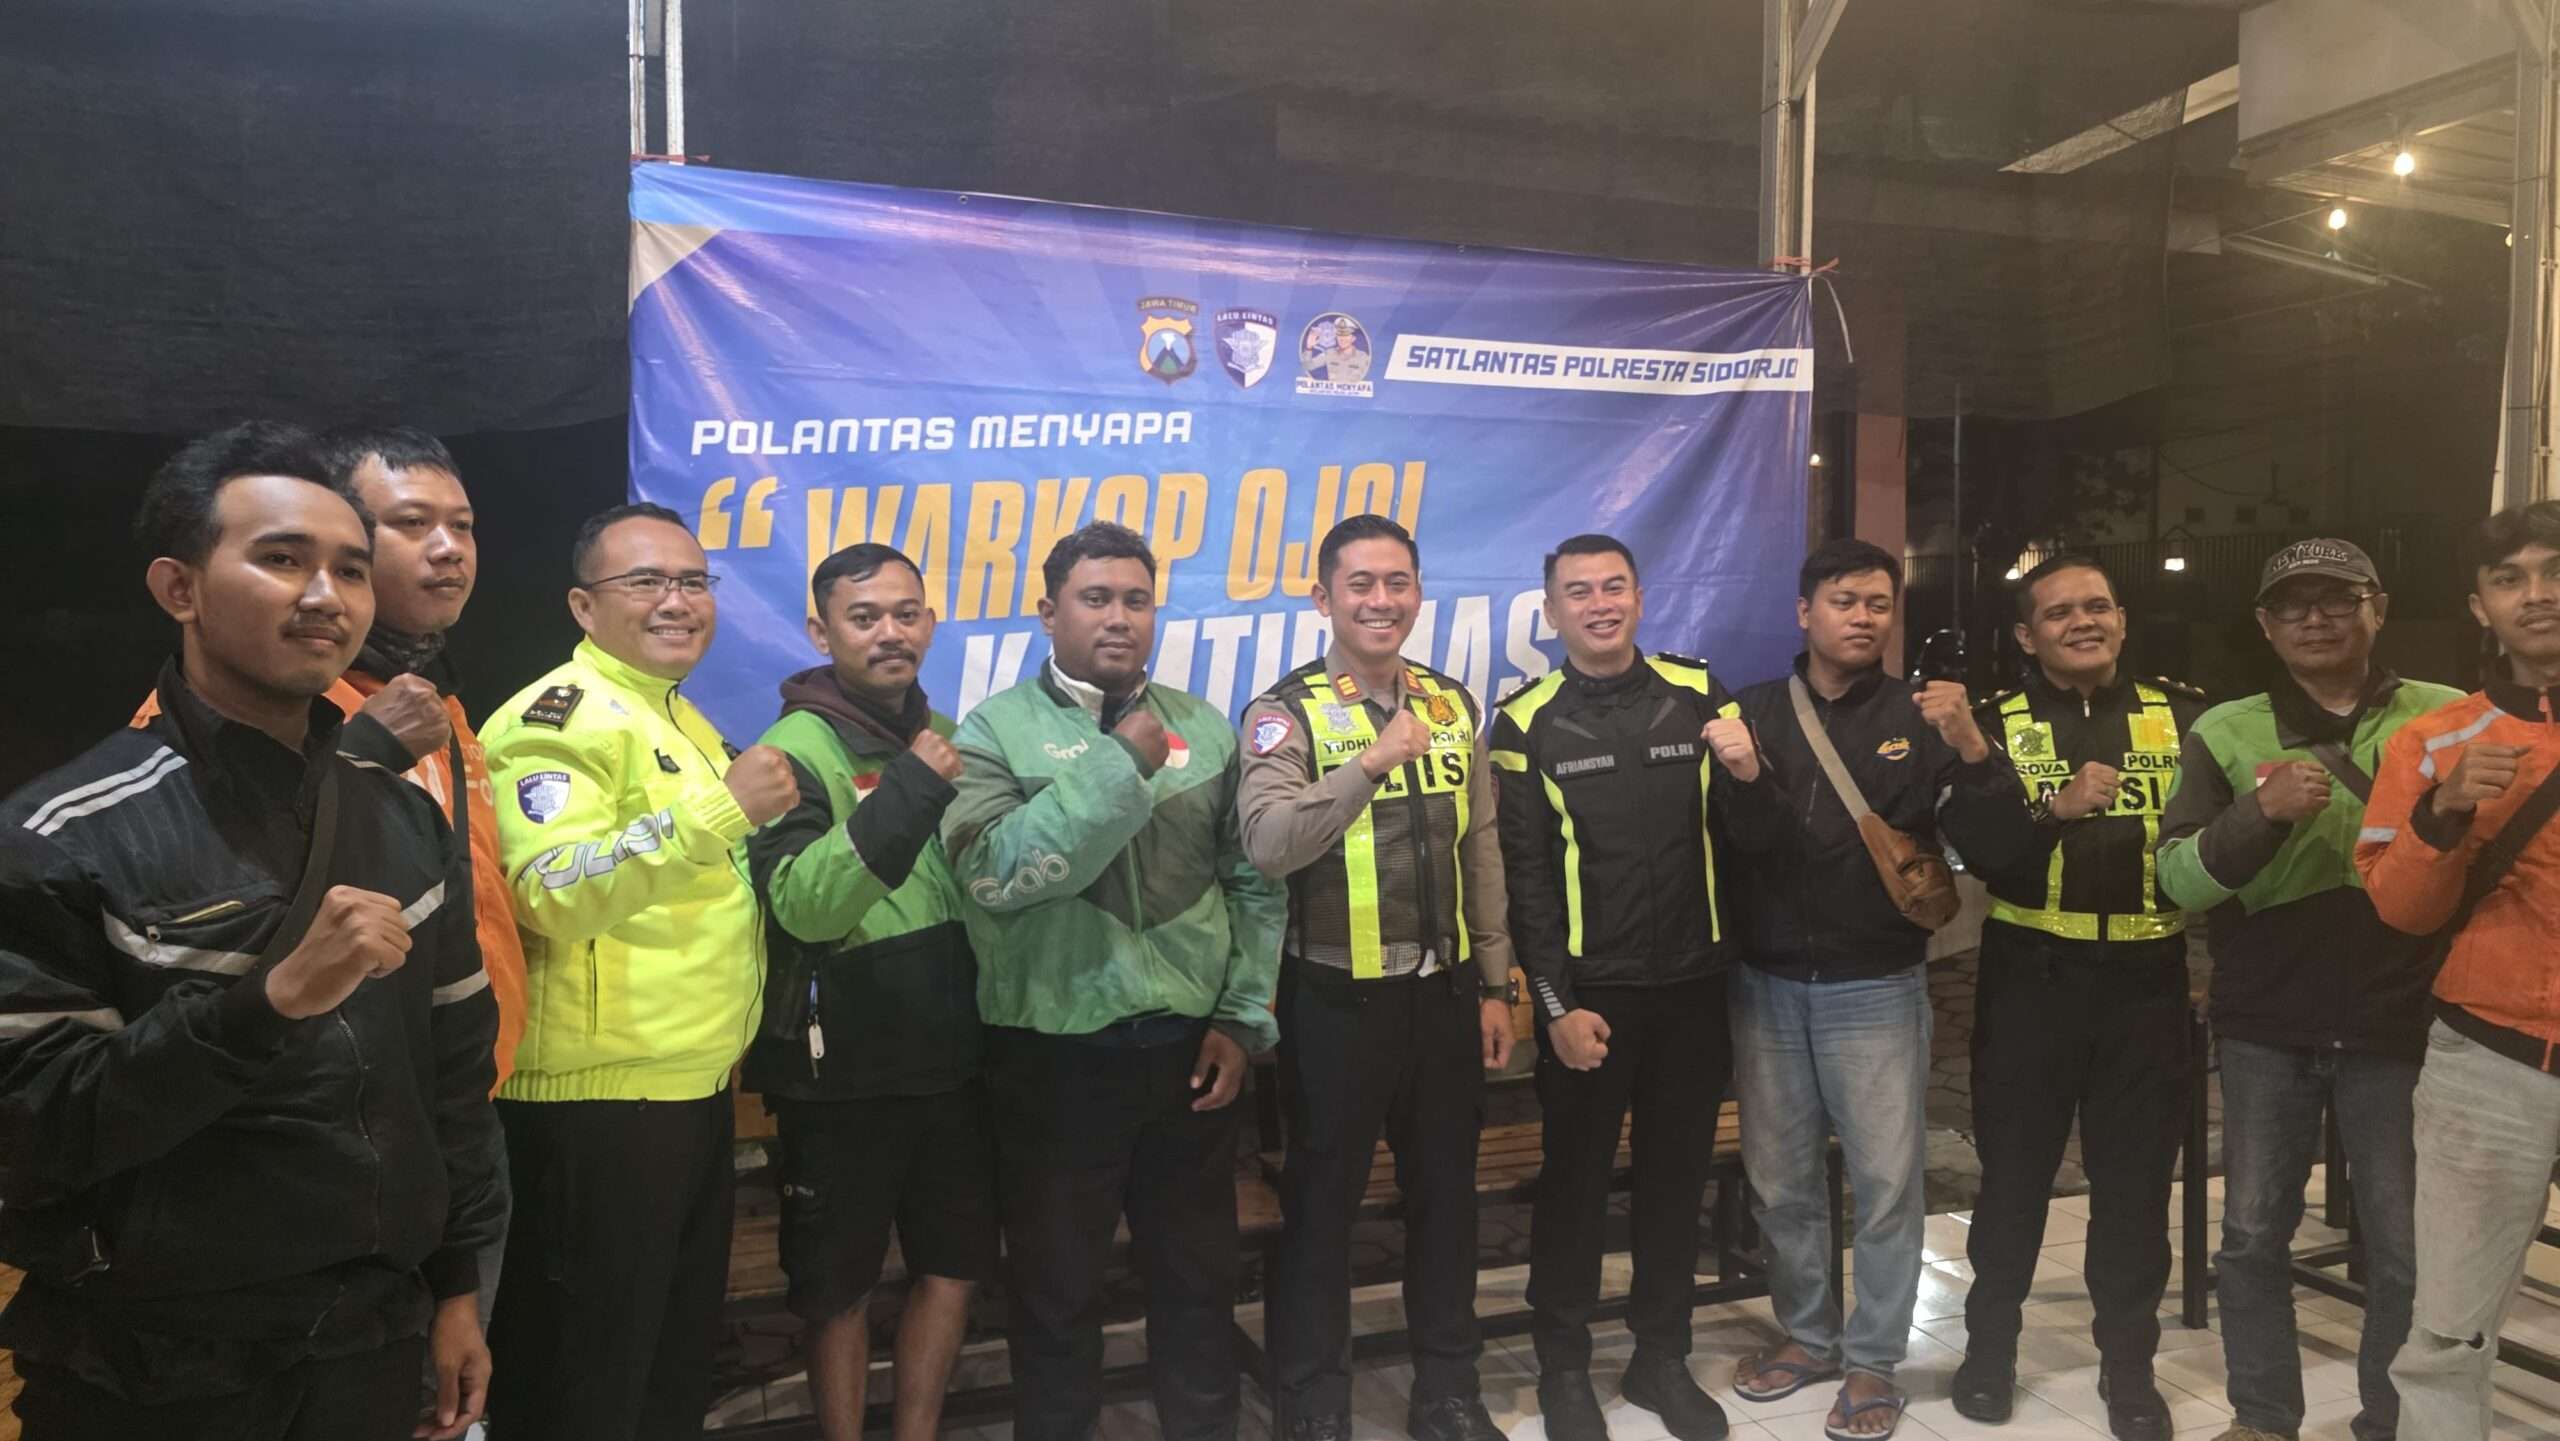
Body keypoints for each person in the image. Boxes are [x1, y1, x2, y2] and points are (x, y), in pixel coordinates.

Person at [0, 422, 503, 1440]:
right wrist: (263, 1006)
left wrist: (458, 1286)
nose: (326, 595)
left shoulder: (403, 820)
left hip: (370, 1338)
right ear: (179, 588)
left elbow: (453, 1078)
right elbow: (30, 1129)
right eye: (281, 559)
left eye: (350, 569)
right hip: (151, 1361)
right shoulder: (63, 832)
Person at [941, 521, 1285, 1441]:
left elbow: (1253, 882)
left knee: (1199, 1283)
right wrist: (1120, 761)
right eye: (1095, 598)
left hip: (1187, 1054)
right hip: (1051, 1059)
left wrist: (1240, 1017)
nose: (1119, 617)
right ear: (1047, 611)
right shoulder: (993, 730)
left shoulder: (1204, 726)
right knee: (1054, 1294)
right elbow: (994, 876)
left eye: (1137, 599)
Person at [479, 501, 799, 1441]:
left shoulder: (676, 714)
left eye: (693, 581)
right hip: (593, 1110)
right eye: (646, 581)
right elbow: (548, 890)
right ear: (584, 606)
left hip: (685, 1091)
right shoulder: (558, 719)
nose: (676, 600)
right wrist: (720, 811)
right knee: (582, 1391)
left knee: (664, 1379)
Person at [1722, 537, 2026, 1441]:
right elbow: (1733, 843)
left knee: (1888, 1182)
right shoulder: (1752, 713)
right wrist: (1742, 777)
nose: (1863, 617)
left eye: (1879, 603)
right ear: (1804, 611)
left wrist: (1972, 748)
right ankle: (1809, 1336)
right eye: (1844, 600)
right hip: (1766, 981)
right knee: (1780, 1181)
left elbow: (1995, 842)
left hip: (1877, 984)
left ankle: (1872, 1360)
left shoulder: (1923, 717)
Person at [2158, 540, 2457, 1441]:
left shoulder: (2445, 716)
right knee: (2252, 1235)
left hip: (2401, 1020)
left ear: (2378, 608)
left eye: (2338, 599)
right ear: (2265, 624)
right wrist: (2258, 814)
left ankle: (2391, 1422)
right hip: (2267, 1023)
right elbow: (2178, 879)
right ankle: (2262, 1418)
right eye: (2294, 604)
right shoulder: (2224, 729)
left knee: (2407, 1248)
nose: (2316, 618)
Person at [1238, 514, 1516, 1441]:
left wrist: (1496, 982)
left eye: (1397, 582)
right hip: (1335, 1003)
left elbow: (1481, 846)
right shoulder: (1283, 712)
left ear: (1418, 593)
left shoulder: (1450, 701)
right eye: (1360, 583)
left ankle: (1448, 1392)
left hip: (1444, 997)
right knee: (1321, 1213)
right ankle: (1315, 1405)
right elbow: (1269, 844)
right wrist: (1369, 763)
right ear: (1324, 597)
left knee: (1447, 1201)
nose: (1381, 600)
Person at [1487, 533, 1749, 1441]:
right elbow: (1525, 882)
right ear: (1550, 611)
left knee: (1676, 1184)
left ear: (1639, 597)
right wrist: (1555, 1008)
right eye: (1578, 591)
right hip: (1591, 999)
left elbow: (1748, 829)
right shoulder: (1525, 721)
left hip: (1693, 991)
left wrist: (1752, 769)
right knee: (1574, 1188)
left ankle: (1660, 1357)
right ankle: (1564, 1366)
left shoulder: (1698, 693)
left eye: (1613, 587)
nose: (1598, 604)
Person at [1950, 555, 2207, 1441]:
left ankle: (2128, 1367)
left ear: (2123, 619)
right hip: (2031, 978)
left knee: (2135, 1188)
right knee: (2013, 1180)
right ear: (2028, 636)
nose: (2082, 622)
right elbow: (1981, 853)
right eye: (2059, 612)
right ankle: (1989, 1351)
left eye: (2097, 605)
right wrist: (2051, 810)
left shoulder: (2186, 717)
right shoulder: (1992, 727)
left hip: (2149, 981)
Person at [743, 543, 988, 1441]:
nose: (890, 632)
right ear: (821, 631)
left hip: (957, 1062)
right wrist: (914, 785)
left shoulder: (949, 733)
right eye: (864, 616)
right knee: (836, 1291)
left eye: (905, 612)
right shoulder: (790, 752)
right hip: (841, 1075)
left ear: (929, 621)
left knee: (953, 1266)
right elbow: (804, 907)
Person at [2358, 500, 2560, 1441]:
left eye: (2554, 571)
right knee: (2446, 1333)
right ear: (2481, 607)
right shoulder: (2434, 739)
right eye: (2509, 579)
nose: (2537, 594)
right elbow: (2399, 910)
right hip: (2487, 1062)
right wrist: (2441, 814)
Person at [323, 427, 528, 1314]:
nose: (449, 548)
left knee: (459, 1373)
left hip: (463, 1107)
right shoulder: (286, 704)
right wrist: (359, 753)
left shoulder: (440, 705)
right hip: (346, 1132)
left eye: (463, 524)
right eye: (412, 523)